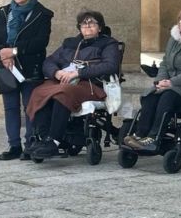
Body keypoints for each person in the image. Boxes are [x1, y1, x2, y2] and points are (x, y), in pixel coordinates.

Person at [25, 10, 122, 159]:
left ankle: (54, 140)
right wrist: (56, 73)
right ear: (79, 27)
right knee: (39, 91)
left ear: (100, 27)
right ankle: (43, 137)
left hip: (91, 84)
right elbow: (49, 61)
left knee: (63, 92)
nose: (87, 26)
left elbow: (110, 66)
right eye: (84, 23)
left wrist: (79, 73)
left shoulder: (109, 44)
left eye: (92, 23)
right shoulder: (70, 43)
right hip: (64, 81)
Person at [0, 0, 53, 160]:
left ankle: (30, 145)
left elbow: (40, 42)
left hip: (30, 67)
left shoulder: (43, 14)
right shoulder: (4, 12)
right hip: (5, 67)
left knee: (30, 107)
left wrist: (13, 52)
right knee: (10, 107)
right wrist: (3, 53)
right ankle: (14, 145)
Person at [124, 6, 181, 151]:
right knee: (150, 95)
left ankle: (154, 138)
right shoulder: (174, 38)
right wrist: (160, 81)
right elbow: (165, 62)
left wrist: (172, 82)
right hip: (169, 84)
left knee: (167, 97)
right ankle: (141, 134)